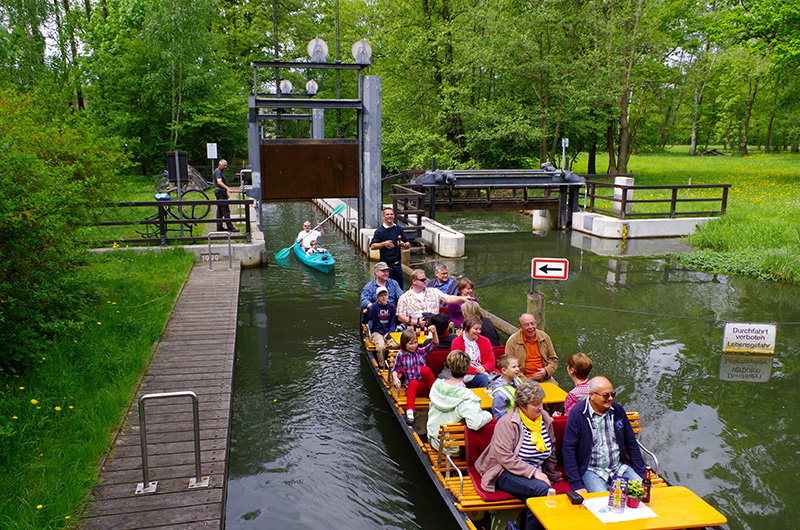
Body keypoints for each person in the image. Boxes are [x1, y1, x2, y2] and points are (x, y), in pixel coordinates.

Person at [475, 379, 562, 530]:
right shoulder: (508, 423)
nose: (541, 408)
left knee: (538, 495)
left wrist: (552, 474)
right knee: (542, 491)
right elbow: (505, 458)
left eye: (541, 403)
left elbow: (551, 450)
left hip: (535, 471)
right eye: (535, 404)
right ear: (522, 406)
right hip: (503, 471)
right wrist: (533, 472)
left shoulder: (545, 420)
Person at [562, 376, 646, 494]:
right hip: (592, 470)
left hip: (619, 468)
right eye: (606, 395)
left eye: (612, 394)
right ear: (591, 395)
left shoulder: (618, 410)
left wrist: (640, 473)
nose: (610, 398)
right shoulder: (578, 414)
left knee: (642, 494)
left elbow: (631, 442)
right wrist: (576, 484)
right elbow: (568, 450)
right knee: (601, 502)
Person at [427, 350, 492, 454]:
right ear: (467, 369)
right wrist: (488, 415)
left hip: (433, 439)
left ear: (449, 368)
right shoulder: (467, 397)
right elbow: (475, 424)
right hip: (450, 449)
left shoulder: (436, 386)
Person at [391, 326, 439, 424]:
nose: (414, 346)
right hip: (413, 388)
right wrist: (395, 377)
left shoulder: (420, 352)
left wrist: (434, 333)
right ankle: (410, 413)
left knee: (425, 370)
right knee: (413, 382)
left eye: (415, 343)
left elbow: (434, 344)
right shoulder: (401, 355)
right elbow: (395, 369)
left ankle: (438, 396)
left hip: (426, 386)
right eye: (411, 344)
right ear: (404, 344)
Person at [396, 269, 475, 327]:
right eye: (422, 280)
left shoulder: (434, 292)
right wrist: (416, 322)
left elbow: (449, 298)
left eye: (425, 279)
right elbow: (401, 317)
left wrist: (462, 298)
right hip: (415, 327)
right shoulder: (404, 298)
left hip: (435, 327)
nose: (425, 281)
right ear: (414, 281)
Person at [505, 314, 558, 384]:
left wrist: (546, 371)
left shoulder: (544, 337)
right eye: (527, 325)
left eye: (532, 324)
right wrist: (525, 381)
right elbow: (508, 366)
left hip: (544, 378)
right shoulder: (512, 341)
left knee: (556, 393)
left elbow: (553, 359)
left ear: (536, 323)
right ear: (520, 327)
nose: (531, 327)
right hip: (521, 379)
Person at [370, 207, 410, 288]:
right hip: (385, 267)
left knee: (399, 289)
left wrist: (403, 244)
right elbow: (373, 246)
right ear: (383, 216)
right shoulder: (380, 231)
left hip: (398, 266)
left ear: (394, 216)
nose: (389, 216)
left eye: (391, 214)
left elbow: (408, 244)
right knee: (387, 290)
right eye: (387, 214)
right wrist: (384, 244)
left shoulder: (398, 228)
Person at [450, 315, 495, 388]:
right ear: (467, 328)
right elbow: (458, 364)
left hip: (484, 371)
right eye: (476, 329)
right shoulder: (457, 342)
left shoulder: (486, 341)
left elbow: (491, 361)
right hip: (465, 374)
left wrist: (484, 367)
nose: (479, 332)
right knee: (485, 379)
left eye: (480, 329)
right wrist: (479, 371)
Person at [364, 286, 398, 367]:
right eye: (381, 296)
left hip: (387, 331)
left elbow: (393, 322)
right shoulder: (373, 307)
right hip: (376, 331)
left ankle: (393, 364)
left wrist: (391, 333)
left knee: (396, 345)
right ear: (377, 297)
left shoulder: (391, 307)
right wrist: (366, 314)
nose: (383, 297)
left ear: (388, 296)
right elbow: (365, 321)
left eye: (385, 295)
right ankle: (382, 365)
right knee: (381, 347)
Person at [491, 354, 522, 420]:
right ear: (504, 371)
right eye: (514, 367)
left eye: (517, 366)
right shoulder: (500, 392)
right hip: (510, 421)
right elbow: (499, 415)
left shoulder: (517, 379)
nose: (517, 369)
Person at [214, 159, 240, 232]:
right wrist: (227, 188)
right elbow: (219, 182)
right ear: (220, 165)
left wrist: (226, 193)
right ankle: (230, 227)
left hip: (221, 192)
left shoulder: (220, 171)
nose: (225, 167)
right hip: (220, 192)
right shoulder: (218, 172)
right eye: (224, 165)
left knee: (220, 211)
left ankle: (219, 227)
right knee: (226, 210)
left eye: (226, 165)